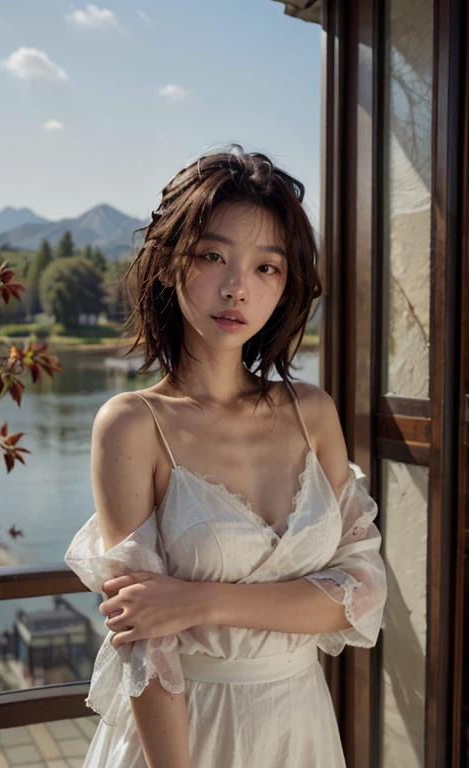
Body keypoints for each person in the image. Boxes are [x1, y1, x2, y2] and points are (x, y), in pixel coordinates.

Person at [65, 144, 387, 768]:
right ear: (168, 266)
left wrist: (198, 602)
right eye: (213, 256)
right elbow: (144, 645)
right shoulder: (132, 426)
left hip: (300, 726)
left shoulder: (311, 413)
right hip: (188, 735)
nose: (238, 287)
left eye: (267, 267)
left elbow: (361, 588)